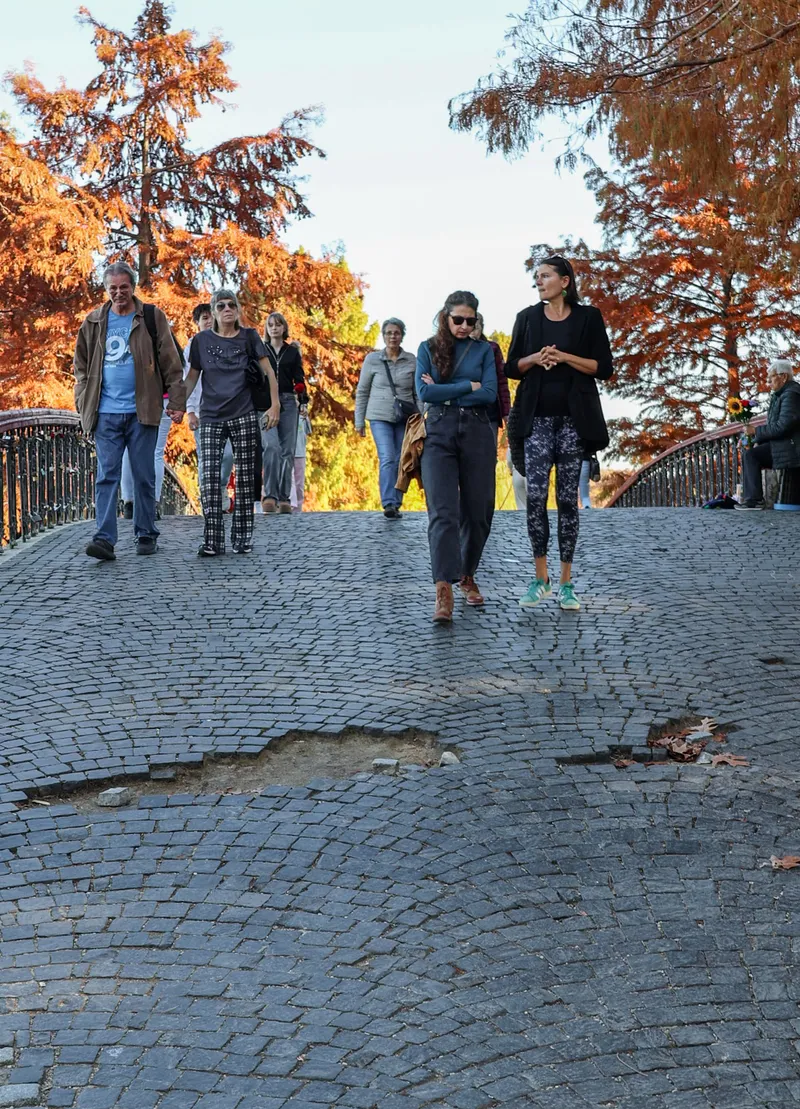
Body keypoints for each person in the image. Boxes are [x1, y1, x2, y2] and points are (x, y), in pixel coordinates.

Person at [506, 255, 613, 611]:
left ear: (564, 281)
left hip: (573, 423)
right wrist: (537, 358)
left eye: (546, 276)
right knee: (535, 498)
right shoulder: (527, 318)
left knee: (568, 501)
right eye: (537, 277)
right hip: (536, 421)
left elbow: (603, 368)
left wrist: (565, 357)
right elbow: (512, 367)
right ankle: (541, 578)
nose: (539, 281)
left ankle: (566, 582)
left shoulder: (588, 318)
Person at [74, 260, 185, 561]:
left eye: (124, 287)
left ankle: (146, 533)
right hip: (106, 411)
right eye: (113, 288)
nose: (119, 293)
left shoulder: (151, 316)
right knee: (107, 475)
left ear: (133, 287)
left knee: (143, 474)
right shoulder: (94, 321)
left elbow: (171, 363)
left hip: (143, 410)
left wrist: (176, 402)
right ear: (106, 290)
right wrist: (83, 398)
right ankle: (104, 539)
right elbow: (81, 367)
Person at [416, 291, 498, 622]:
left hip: (478, 432)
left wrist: (447, 388)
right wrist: (468, 386)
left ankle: (466, 573)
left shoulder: (484, 350)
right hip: (438, 431)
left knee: (478, 512)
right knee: (443, 512)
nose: (464, 326)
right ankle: (443, 589)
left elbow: (490, 393)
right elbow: (425, 393)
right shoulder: (428, 348)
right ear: (445, 318)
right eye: (458, 320)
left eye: (470, 320)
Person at [183, 289, 279, 555]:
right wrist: (179, 404)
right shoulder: (201, 341)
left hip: (244, 413)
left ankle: (242, 537)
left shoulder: (249, 337)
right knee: (210, 477)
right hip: (211, 416)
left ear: (237, 310)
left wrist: (275, 405)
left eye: (232, 305)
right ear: (213, 312)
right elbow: (192, 377)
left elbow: (268, 370)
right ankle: (212, 540)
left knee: (247, 478)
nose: (228, 309)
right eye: (221, 305)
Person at [355, 318, 417, 518]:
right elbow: (362, 391)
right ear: (383, 336)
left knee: (401, 459)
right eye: (389, 333)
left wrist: (422, 419)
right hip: (379, 416)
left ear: (402, 335)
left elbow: (418, 393)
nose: (393, 336)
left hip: (404, 417)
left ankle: (397, 502)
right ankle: (388, 502)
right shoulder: (372, 360)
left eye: (396, 333)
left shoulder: (411, 360)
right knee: (387, 457)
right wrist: (359, 421)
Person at [183, 303, 235, 510]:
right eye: (204, 318)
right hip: (203, 409)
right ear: (197, 323)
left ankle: (221, 486)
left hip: (228, 408)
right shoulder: (192, 347)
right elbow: (189, 381)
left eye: (210, 317)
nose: (208, 321)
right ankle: (209, 500)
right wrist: (191, 410)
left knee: (229, 454)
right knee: (207, 456)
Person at [736, 360, 800, 509]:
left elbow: (782, 427)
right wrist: (755, 438)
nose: (768, 382)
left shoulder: (791, 395)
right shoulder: (782, 395)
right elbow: (775, 427)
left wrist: (755, 431)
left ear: (783, 377)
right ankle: (753, 499)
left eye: (771, 378)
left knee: (751, 456)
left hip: (791, 450)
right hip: (785, 446)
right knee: (751, 454)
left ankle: (754, 500)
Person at [260, 312, 307, 514]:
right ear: (267, 328)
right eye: (271, 325)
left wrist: (302, 399)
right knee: (271, 447)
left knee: (287, 450)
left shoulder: (292, 352)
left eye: (278, 324)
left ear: (284, 327)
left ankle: (284, 497)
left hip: (288, 401)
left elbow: (299, 378)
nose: (274, 328)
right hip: (265, 403)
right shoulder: (261, 350)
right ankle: (269, 495)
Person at [471, 313, 510, 430]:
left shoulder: (492, 348)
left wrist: (506, 412)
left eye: (475, 327)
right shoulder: (454, 349)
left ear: (481, 327)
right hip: (463, 411)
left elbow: (502, 380)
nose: (472, 331)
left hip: (489, 411)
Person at [291, 408, 312, 512]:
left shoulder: (303, 415)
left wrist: (305, 415)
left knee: (299, 484)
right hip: (286, 453)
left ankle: (298, 509)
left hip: (300, 452)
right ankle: (288, 505)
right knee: (289, 481)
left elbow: (308, 431)